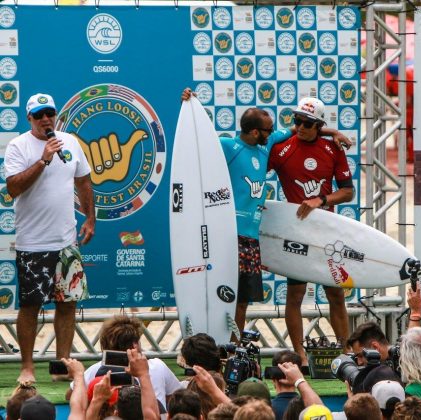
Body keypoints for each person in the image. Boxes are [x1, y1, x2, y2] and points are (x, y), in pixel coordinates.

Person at [181, 89, 349, 333]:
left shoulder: (267, 144)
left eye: (306, 123)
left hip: (254, 237)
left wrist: (331, 132)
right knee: (226, 298)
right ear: (255, 132)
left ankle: (234, 351)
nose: (290, 129)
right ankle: (215, 348)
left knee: (242, 302)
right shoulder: (230, 146)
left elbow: (297, 131)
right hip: (229, 236)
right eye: (270, 130)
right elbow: (194, 141)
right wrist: (187, 105)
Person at [4, 93, 95, 385]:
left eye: (50, 113)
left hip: (67, 241)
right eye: (39, 114)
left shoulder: (70, 142)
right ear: (29, 118)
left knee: (67, 304)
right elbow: (14, 188)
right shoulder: (18, 146)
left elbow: (83, 180)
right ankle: (28, 366)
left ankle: (61, 364)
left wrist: (90, 218)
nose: (46, 119)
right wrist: (43, 160)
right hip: (34, 243)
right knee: (30, 306)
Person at [267, 97, 354, 364]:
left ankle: (346, 353)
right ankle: (300, 355)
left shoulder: (332, 149)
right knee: (295, 294)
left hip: (327, 232)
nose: (300, 127)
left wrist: (322, 200)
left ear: (318, 125)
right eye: (297, 121)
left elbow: (348, 192)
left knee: (335, 294)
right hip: (297, 233)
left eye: (307, 123)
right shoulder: (281, 149)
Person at [68, 314, 182, 410]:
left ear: (105, 345)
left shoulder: (96, 369)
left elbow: (71, 396)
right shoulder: (157, 366)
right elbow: (177, 397)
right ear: (135, 344)